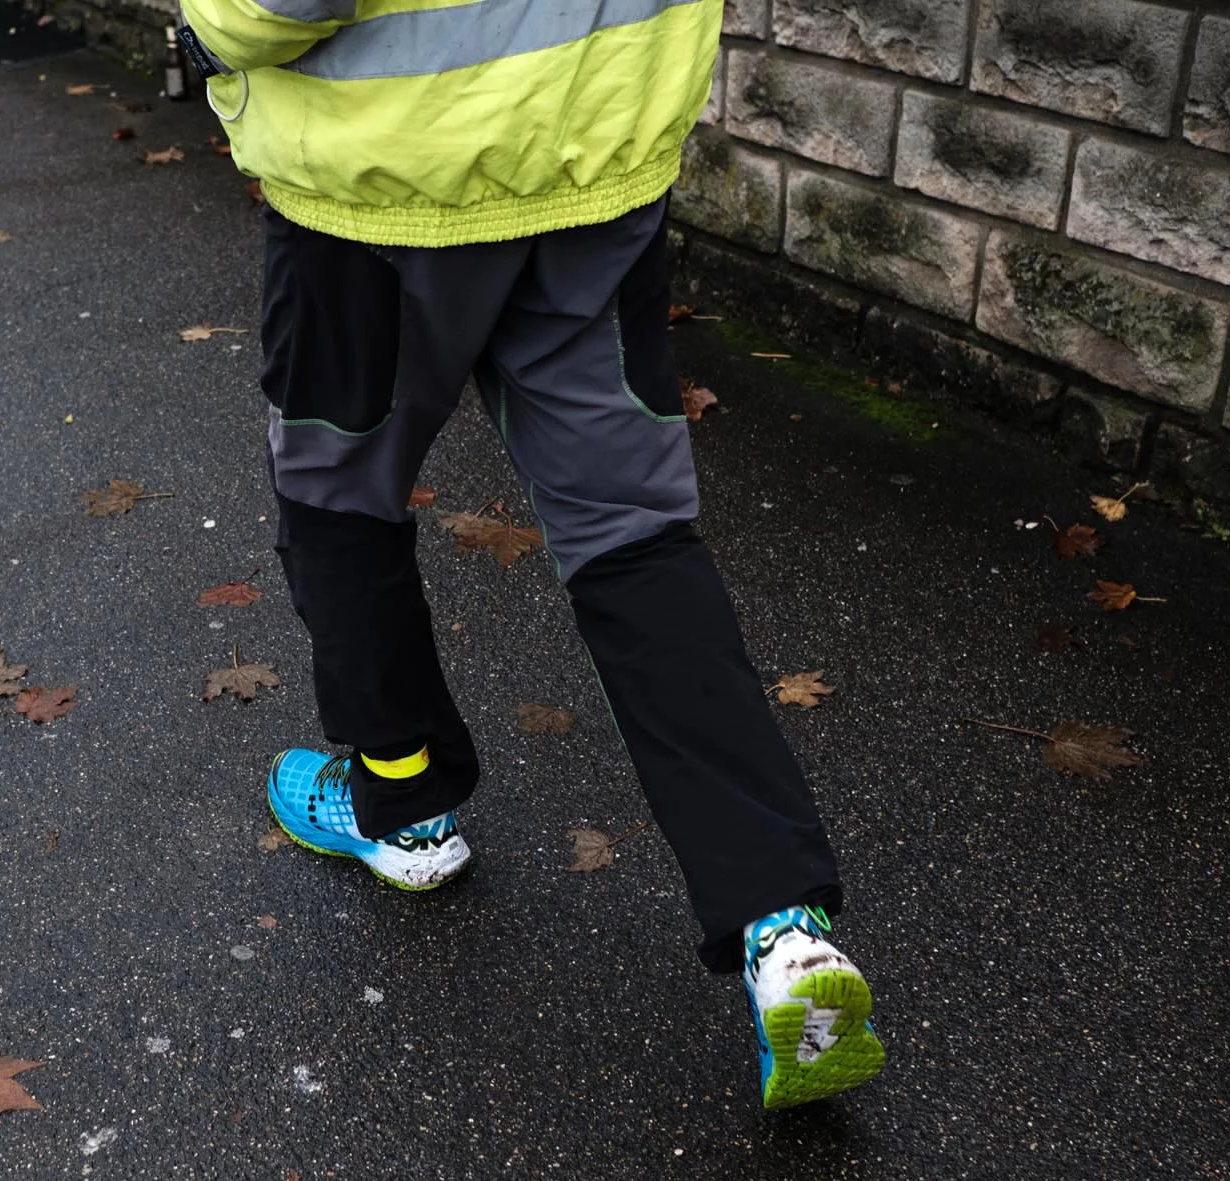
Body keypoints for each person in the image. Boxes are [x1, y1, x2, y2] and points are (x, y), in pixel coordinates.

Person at [174, 0, 884, 1109]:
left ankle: (402, 806)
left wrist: (204, 27)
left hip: (377, 185)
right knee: (631, 535)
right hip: (592, 153)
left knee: (340, 499)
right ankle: (779, 928)